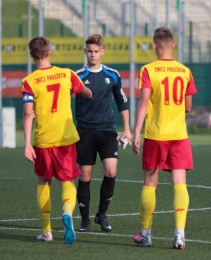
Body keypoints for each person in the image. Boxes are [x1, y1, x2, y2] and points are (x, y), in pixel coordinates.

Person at [21, 37, 92, 244]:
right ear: (49, 51)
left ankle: (46, 231)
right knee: (68, 180)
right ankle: (68, 213)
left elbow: (28, 114)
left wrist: (26, 144)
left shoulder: (29, 81)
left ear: (31, 55)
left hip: (43, 139)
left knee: (44, 182)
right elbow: (87, 93)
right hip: (66, 138)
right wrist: (75, 91)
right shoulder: (67, 74)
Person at [132, 27, 197, 249]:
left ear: (154, 46)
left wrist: (137, 131)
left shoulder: (149, 70)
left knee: (150, 184)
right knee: (179, 184)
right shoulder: (185, 71)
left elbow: (143, 102)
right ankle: (179, 235)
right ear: (174, 45)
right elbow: (188, 106)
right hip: (179, 135)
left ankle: (146, 234)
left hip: (156, 135)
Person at [75, 34, 132, 233]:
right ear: (85, 52)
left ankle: (101, 215)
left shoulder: (113, 75)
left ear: (102, 52)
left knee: (111, 171)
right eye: (89, 51)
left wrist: (126, 128)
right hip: (84, 131)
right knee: (85, 176)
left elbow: (121, 101)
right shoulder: (78, 76)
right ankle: (85, 221)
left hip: (108, 131)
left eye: (96, 51)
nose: (93, 55)